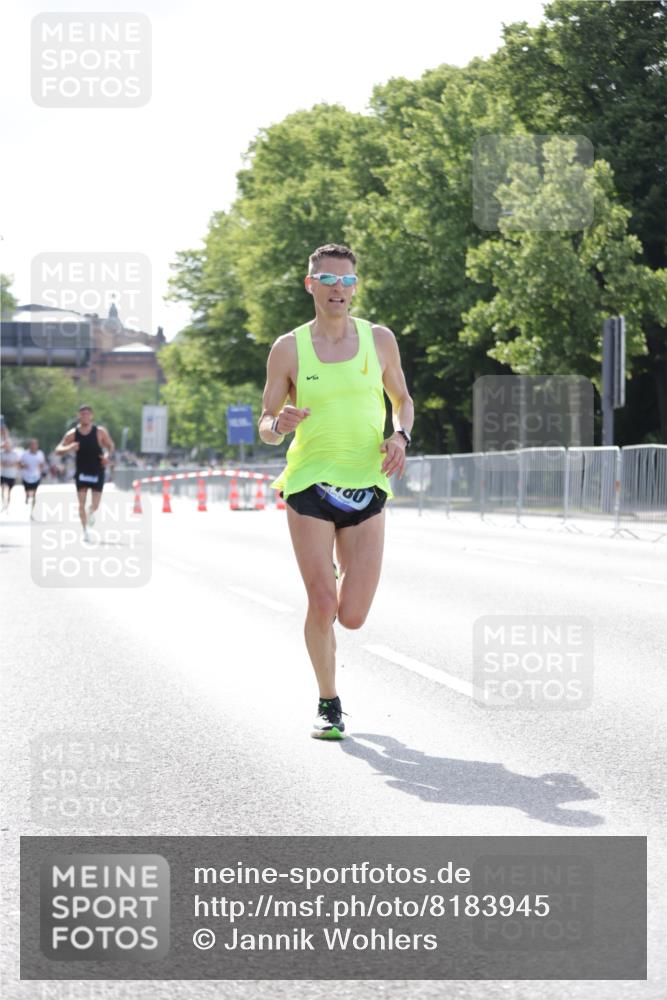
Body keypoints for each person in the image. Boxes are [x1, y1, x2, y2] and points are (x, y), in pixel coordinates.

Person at [259, 244, 414, 740]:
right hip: (310, 485)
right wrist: (277, 423)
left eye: (347, 282)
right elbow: (265, 424)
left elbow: (403, 401)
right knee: (322, 603)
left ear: (355, 287)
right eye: (328, 280)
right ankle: (329, 702)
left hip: (367, 486)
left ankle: (340, 566)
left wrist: (400, 435)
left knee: (352, 616)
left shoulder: (380, 340)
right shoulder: (288, 348)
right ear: (311, 285)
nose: (338, 290)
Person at [55, 405, 115, 540]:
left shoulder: (99, 432)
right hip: (82, 471)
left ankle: (91, 512)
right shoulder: (73, 433)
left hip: (97, 470)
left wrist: (107, 456)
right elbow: (58, 449)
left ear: (91, 416)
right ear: (78, 416)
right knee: (81, 503)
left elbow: (110, 446)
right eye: (83, 414)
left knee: (95, 504)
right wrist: (70, 447)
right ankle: (85, 530)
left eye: (88, 414)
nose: (85, 416)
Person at [18, 439, 47, 518]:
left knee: (34, 494)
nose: (34, 446)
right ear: (29, 446)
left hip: (36, 476)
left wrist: (41, 470)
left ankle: (32, 512)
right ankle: (27, 495)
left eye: (35, 444)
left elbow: (42, 464)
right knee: (27, 491)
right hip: (26, 476)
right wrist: (24, 466)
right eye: (32, 444)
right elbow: (19, 464)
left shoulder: (40, 454)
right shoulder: (25, 454)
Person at [1, 437, 21, 511]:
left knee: (9, 490)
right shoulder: (1, 454)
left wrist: (11, 464)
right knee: (3, 488)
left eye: (8, 445)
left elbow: (17, 463)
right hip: (3, 474)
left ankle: (8, 504)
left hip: (11, 475)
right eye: (5, 445)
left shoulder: (15, 454)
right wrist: (5, 464)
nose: (7, 447)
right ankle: (3, 502)